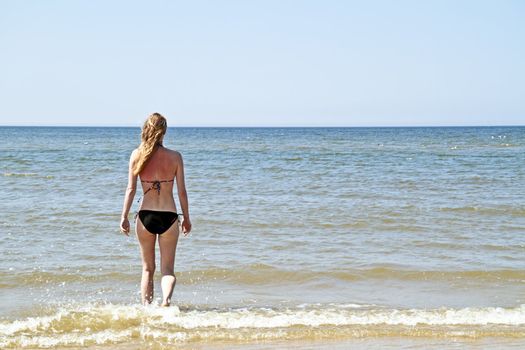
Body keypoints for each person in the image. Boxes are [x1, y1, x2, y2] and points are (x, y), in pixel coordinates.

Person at [120, 113, 191, 306]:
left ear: (146, 129)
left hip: (145, 217)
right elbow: (182, 192)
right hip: (169, 216)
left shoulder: (137, 155)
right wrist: (186, 218)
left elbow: (131, 189)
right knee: (167, 270)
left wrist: (124, 216)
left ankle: (147, 310)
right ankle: (166, 300)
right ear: (164, 132)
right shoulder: (175, 157)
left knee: (147, 269)